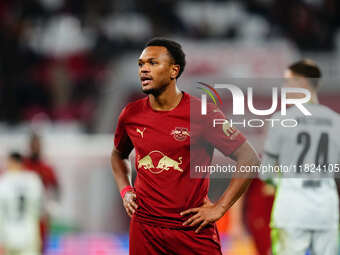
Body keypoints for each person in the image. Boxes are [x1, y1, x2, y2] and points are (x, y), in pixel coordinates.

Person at [111, 38, 260, 254]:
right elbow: (118, 155)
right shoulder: (131, 114)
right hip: (145, 229)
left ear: (174, 71)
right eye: (141, 64)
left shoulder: (202, 113)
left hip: (192, 229)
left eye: (152, 63)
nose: (144, 69)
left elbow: (249, 158)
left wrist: (220, 208)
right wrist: (125, 190)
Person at [262, 59, 339, 255]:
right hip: (327, 209)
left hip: (291, 208)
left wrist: (279, 181)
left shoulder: (281, 119)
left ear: (303, 82)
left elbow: (265, 172)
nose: (284, 88)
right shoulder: (336, 121)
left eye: (288, 82)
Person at [0, 152, 44, 255]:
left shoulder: (3, 182)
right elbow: (40, 211)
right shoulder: (33, 180)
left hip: (10, 235)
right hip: (30, 235)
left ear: (11, 163)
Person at [24, 133, 59, 253]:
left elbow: (57, 188)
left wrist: (53, 205)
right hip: (25, 215)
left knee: (41, 246)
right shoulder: (23, 166)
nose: (35, 148)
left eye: (37, 145)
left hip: (40, 214)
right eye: (33, 145)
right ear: (29, 146)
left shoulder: (46, 168)